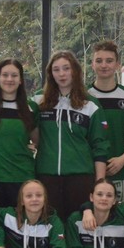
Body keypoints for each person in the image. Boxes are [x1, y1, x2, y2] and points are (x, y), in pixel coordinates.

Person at [35, 50, 108, 219]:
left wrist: (99, 184)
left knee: (78, 225)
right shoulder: (39, 101)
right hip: (47, 176)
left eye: (66, 68)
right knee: (50, 225)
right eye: (56, 69)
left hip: (80, 177)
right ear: (50, 74)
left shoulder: (90, 104)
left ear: (75, 70)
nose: (61, 74)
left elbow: (100, 146)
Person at [0, 59, 40, 208]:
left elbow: (38, 141)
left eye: (14, 75)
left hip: (22, 177)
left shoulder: (31, 108)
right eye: (5, 75)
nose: (9, 79)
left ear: (21, 80)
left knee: (19, 222)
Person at [87, 41, 124, 202]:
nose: (104, 65)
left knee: (118, 213)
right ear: (92, 64)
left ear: (117, 64)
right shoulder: (83, 96)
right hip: (87, 168)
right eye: (99, 60)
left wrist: (123, 159)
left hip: (117, 169)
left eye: (109, 61)